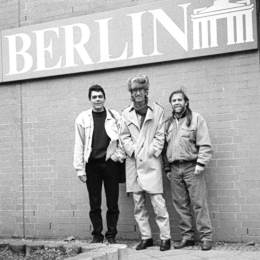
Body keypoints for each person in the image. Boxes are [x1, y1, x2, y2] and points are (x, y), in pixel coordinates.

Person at [120, 74, 171, 251]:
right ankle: (146, 237)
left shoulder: (157, 111)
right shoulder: (125, 113)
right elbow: (124, 136)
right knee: (138, 204)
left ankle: (166, 238)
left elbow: (160, 135)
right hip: (134, 164)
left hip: (151, 162)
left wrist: (150, 152)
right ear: (131, 94)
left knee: (158, 202)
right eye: (134, 90)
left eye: (141, 89)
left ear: (146, 90)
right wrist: (134, 151)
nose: (138, 93)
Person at [73, 84, 124, 244]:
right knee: (94, 203)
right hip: (92, 165)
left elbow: (123, 139)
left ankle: (111, 235)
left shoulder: (115, 116)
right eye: (94, 97)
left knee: (112, 203)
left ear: (104, 98)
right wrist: (80, 169)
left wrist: (118, 156)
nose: (97, 99)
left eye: (100, 96)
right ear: (90, 99)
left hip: (110, 164)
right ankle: (97, 235)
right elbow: (79, 144)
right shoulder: (82, 118)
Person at [164, 89, 213, 251]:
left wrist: (201, 164)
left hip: (192, 167)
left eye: (179, 100)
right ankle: (188, 237)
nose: (177, 102)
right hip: (174, 168)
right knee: (180, 205)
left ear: (186, 102)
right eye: (174, 100)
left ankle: (206, 237)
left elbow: (205, 143)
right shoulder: (168, 123)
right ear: (171, 104)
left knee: (199, 203)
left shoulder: (196, 119)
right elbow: (165, 148)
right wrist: (167, 168)